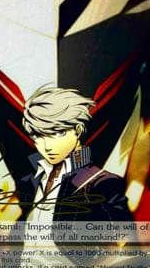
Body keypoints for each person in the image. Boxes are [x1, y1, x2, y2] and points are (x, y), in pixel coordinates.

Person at [17, 86, 133, 224]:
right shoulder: (29, 181)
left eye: (57, 133)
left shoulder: (102, 184)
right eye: (38, 136)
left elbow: (125, 235)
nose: (47, 146)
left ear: (78, 130)